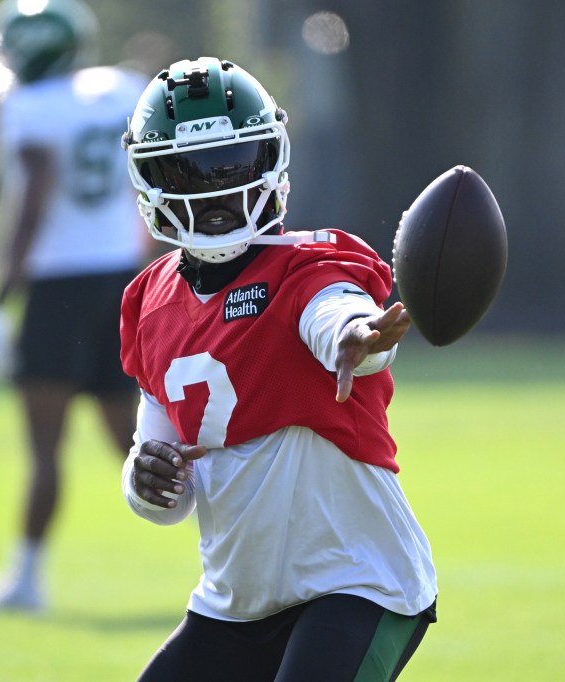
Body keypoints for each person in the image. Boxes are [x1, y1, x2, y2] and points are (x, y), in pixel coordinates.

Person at [119, 57, 439, 681]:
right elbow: (165, 501)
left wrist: (357, 337)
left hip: (358, 583)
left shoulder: (309, 264)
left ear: (270, 159)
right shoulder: (150, 302)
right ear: (151, 178)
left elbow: (337, 313)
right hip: (234, 603)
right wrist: (144, 478)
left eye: (232, 164)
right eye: (189, 170)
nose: (215, 189)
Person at [0, 0, 148, 620]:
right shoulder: (121, 89)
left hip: (59, 286)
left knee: (47, 447)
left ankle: (26, 579)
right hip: (122, 278)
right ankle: (249, 548)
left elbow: (30, 205)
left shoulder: (29, 108)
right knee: (138, 443)